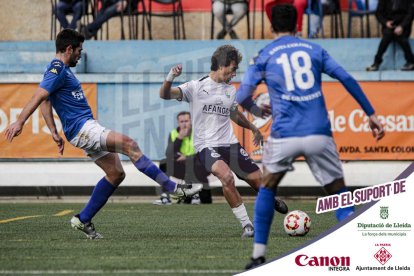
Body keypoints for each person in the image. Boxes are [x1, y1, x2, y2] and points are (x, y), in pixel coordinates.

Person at [4, 29, 201, 240]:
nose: (81, 54)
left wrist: (53, 131)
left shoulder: (58, 70)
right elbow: (39, 95)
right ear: (69, 49)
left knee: (116, 173)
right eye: (79, 50)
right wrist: (20, 121)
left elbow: (46, 100)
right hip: (82, 128)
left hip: (83, 128)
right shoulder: (57, 67)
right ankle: (173, 188)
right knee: (130, 144)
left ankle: (84, 218)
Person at [237, 4, 385, 269]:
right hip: (318, 132)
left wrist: (257, 109)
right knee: (338, 192)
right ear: (298, 26)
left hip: (284, 135)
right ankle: (360, 253)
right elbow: (345, 78)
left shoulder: (264, 55)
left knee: (268, 187)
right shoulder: (314, 49)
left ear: (271, 28)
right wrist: (371, 113)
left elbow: (241, 96)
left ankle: (258, 255)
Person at [158, 45, 289, 238]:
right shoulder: (196, 87)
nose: (234, 73)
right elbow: (165, 94)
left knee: (259, 184)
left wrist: (253, 128)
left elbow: (234, 114)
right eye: (233, 68)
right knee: (226, 177)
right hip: (206, 145)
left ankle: (271, 199)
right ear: (221, 65)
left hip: (230, 144)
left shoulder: (230, 90)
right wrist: (170, 77)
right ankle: (247, 225)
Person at [156, 111, 213, 205]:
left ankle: (196, 195)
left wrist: (187, 157)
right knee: (164, 163)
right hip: (182, 167)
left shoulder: (198, 133)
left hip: (199, 167)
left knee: (196, 164)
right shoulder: (174, 133)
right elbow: (169, 154)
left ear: (191, 121)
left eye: (186, 121)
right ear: (178, 123)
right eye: (181, 122)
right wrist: (180, 138)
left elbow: (205, 153)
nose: (184, 124)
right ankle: (165, 196)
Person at [366, 0, 414, 71]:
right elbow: (378, 13)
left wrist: (401, 26)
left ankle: (411, 62)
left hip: (404, 26)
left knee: (401, 38)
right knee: (387, 36)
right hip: (389, 25)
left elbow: (410, 14)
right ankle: (376, 63)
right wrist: (386, 23)